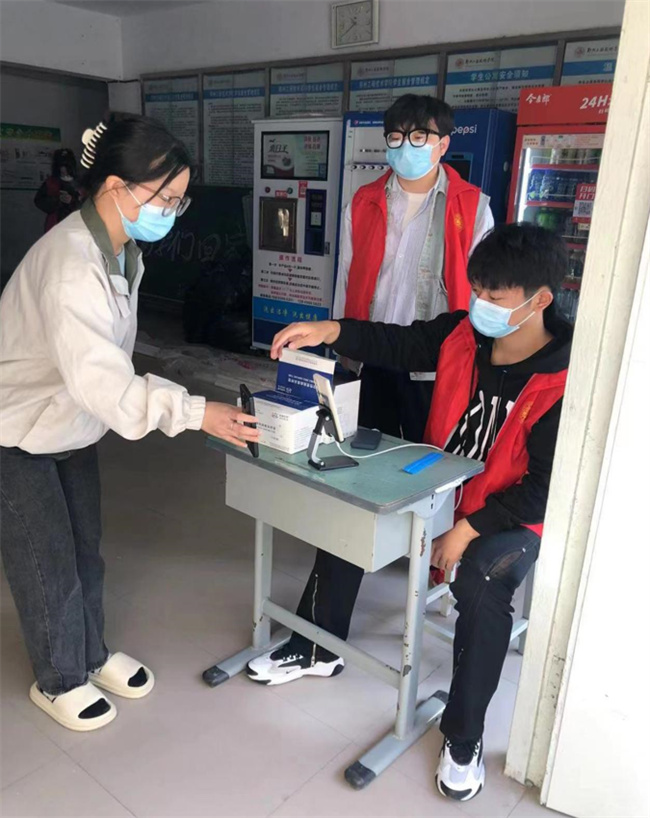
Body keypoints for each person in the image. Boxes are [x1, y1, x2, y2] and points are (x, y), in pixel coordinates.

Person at [249, 223, 571, 802]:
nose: (480, 305)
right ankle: (317, 645)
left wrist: (468, 529)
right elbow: (397, 342)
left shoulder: (566, 379)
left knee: (482, 581)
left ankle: (464, 736)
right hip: (442, 479)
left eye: (495, 297)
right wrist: (330, 329)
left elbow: (549, 486)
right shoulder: (463, 333)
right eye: (477, 290)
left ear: (539, 300)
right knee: (357, 504)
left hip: (509, 512)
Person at [0, 113, 259, 733]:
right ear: (116, 187)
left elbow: (103, 373)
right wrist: (197, 412)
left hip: (71, 425)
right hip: (17, 432)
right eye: (166, 199)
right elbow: (106, 384)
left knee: (85, 552)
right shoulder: (70, 265)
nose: (173, 212)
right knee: (47, 561)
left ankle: (90, 654)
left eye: (180, 201)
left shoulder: (120, 249)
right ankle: (59, 679)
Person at [334, 94, 493, 444]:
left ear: (443, 145)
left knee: (430, 454)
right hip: (373, 351)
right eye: (396, 137)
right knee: (368, 450)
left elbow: (483, 291)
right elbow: (346, 276)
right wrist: (343, 342)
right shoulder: (362, 202)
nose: (406, 146)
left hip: (435, 362)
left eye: (419, 136)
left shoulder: (473, 208)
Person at [34, 148, 83, 232]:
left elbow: (88, 204)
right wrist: (57, 200)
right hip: (55, 225)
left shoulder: (81, 183)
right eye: (60, 166)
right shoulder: (50, 182)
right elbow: (39, 201)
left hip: (76, 225)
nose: (63, 170)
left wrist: (72, 201)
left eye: (66, 166)